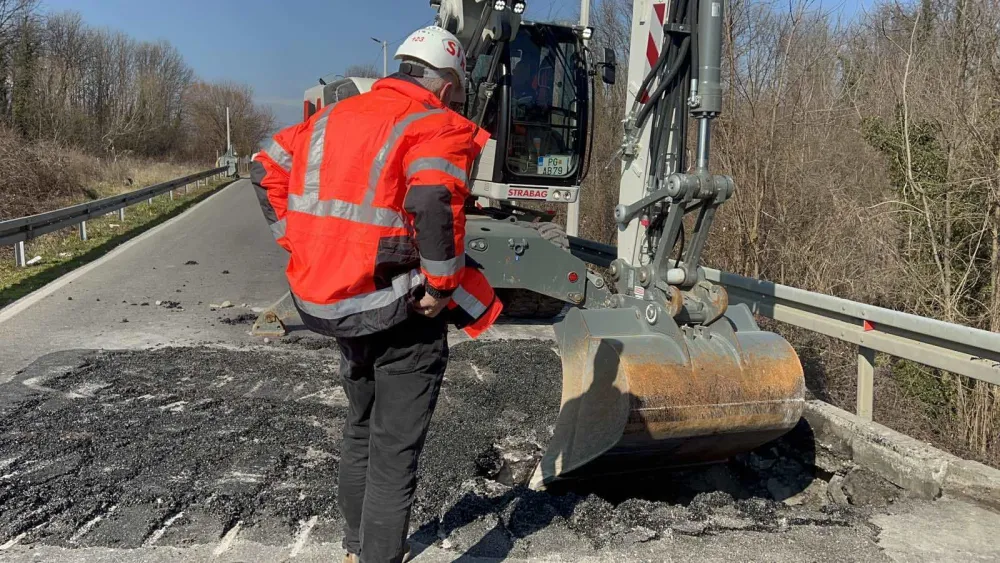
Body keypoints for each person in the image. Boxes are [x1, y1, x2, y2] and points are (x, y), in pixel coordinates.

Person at [250, 25, 503, 563]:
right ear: (443, 84)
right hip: (401, 308)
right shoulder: (432, 124)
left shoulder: (329, 117)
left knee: (361, 429)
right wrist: (440, 284)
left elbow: (263, 167)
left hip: (338, 306)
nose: (453, 102)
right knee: (394, 450)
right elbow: (434, 197)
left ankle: (353, 548)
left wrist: (295, 240)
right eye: (454, 93)